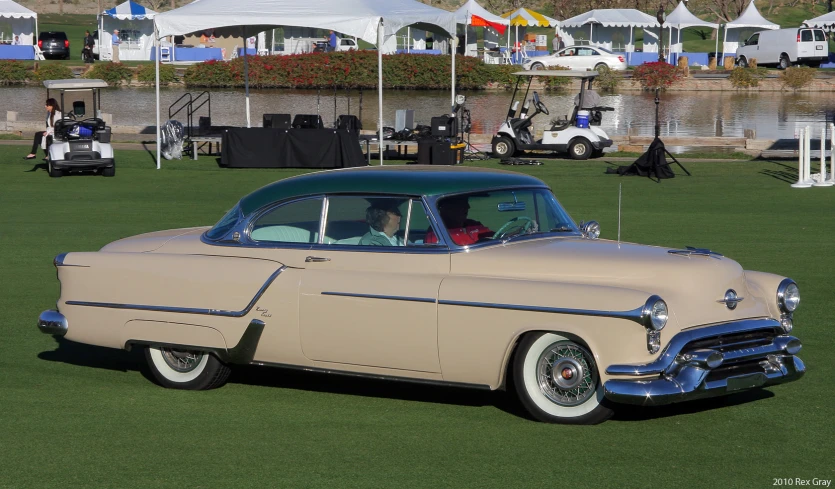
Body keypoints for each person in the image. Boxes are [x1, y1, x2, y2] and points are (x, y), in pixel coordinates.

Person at [424, 196, 493, 245]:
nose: (468, 207)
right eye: (460, 203)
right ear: (446, 208)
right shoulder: (437, 233)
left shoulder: (474, 224)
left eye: (466, 202)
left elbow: (494, 237)